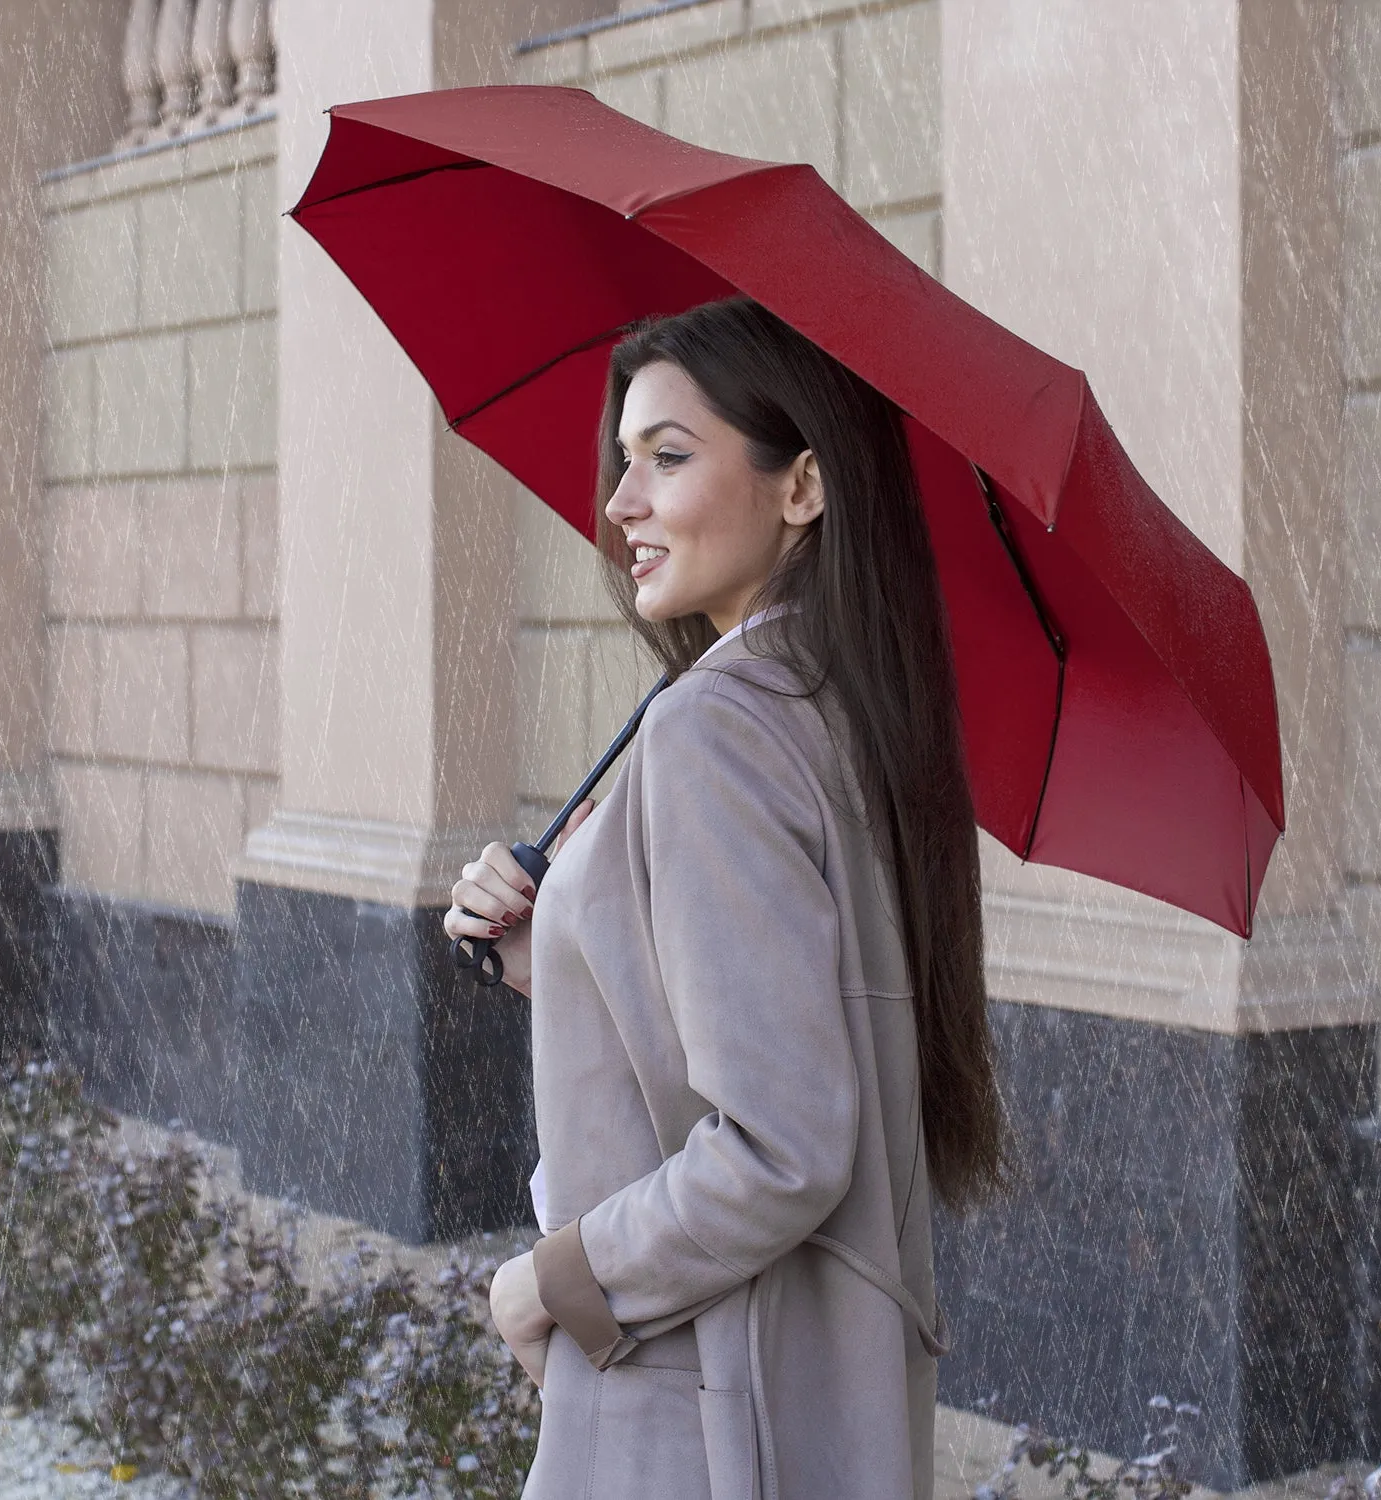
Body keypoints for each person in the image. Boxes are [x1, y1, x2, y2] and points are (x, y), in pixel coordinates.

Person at [443, 295, 1002, 1500]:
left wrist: (551, 1282)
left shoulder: (715, 728)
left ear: (801, 488)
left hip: (696, 1406)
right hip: (801, 1391)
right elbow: (792, 1022)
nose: (620, 504)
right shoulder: (839, 708)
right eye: (622, 462)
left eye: (669, 458)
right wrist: (573, 950)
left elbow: (783, 1147)